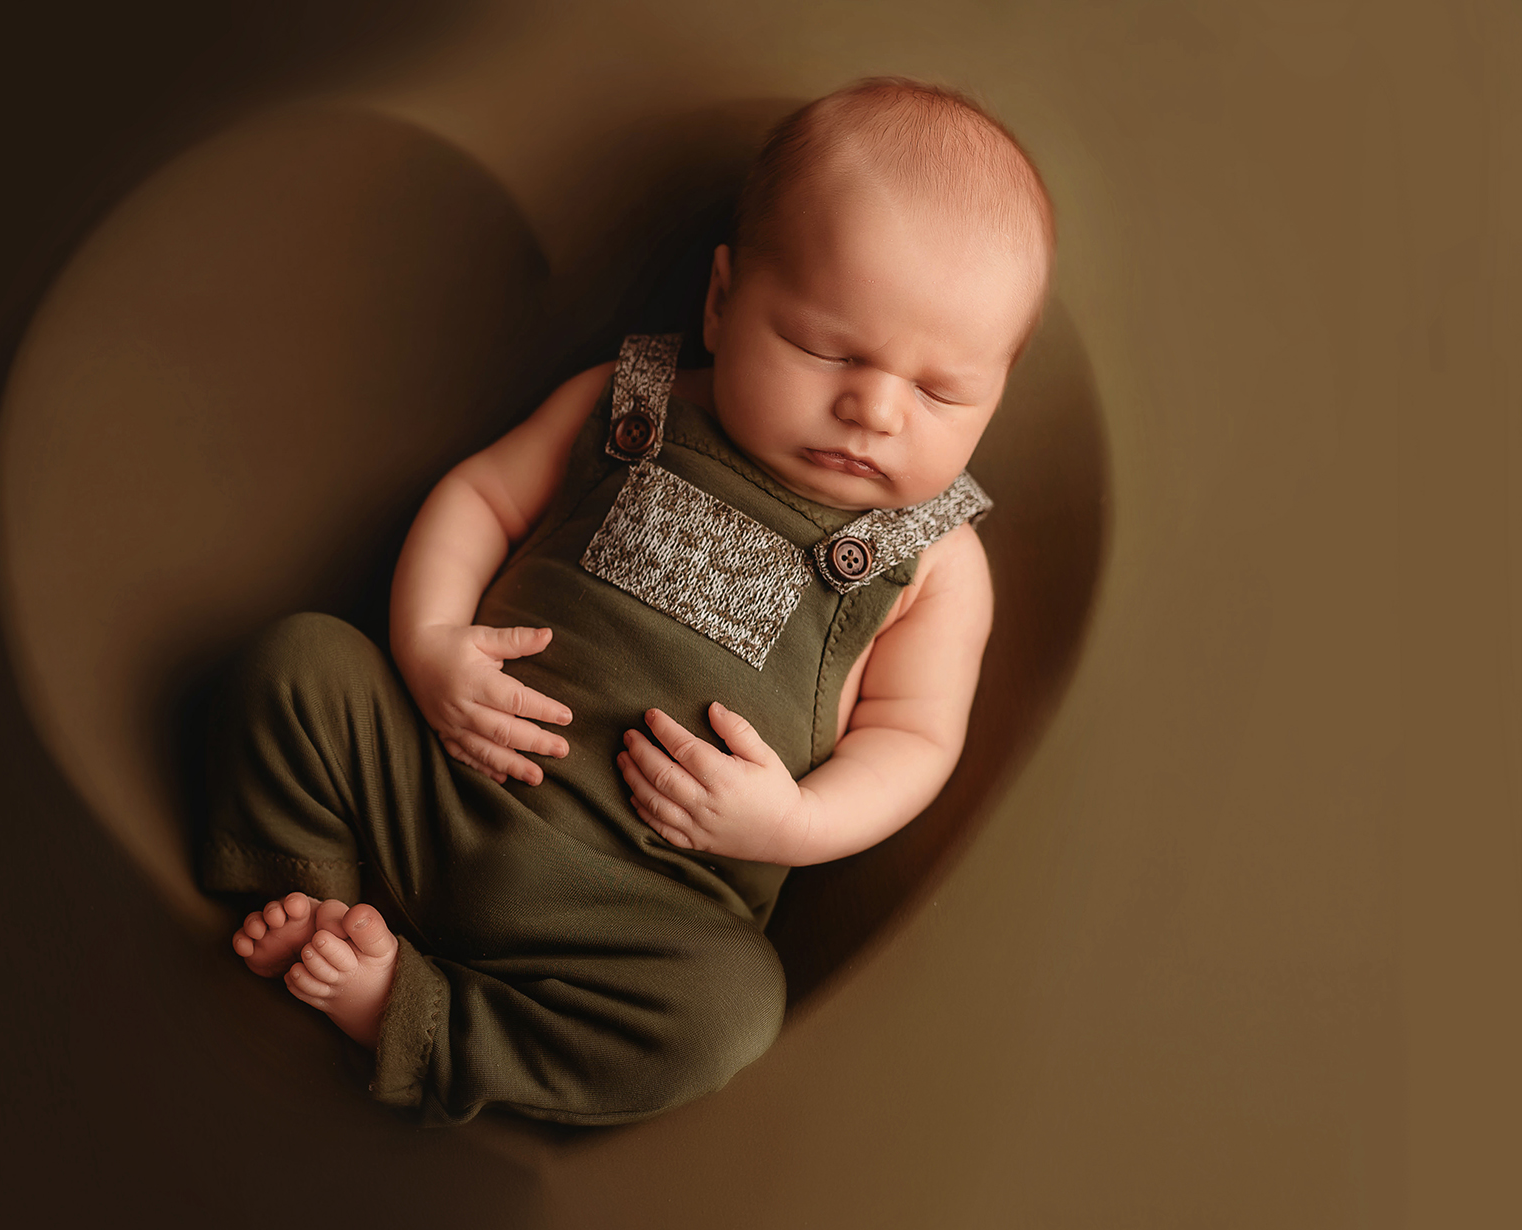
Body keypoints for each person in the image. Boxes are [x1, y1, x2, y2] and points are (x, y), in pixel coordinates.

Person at [195, 77, 1054, 1125]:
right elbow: (478, 497)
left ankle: (417, 1013)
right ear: (722, 299)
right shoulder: (630, 400)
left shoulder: (934, 558)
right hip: (432, 783)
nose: (871, 408)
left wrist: (793, 819)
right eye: (827, 348)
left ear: (995, 392)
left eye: (939, 392)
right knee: (300, 666)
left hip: (634, 905)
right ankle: (319, 893)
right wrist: (428, 647)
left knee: (729, 1006)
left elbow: (915, 738)